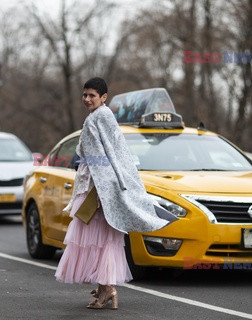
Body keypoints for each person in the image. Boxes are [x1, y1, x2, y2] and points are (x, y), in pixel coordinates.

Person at [55, 77, 178, 310]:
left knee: (97, 239)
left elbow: (104, 159)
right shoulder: (101, 117)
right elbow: (113, 154)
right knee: (104, 241)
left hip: (98, 190)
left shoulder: (98, 118)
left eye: (92, 95)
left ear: (104, 98)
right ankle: (105, 288)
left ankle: (108, 289)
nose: (87, 99)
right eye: (85, 95)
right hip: (99, 187)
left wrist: (104, 192)